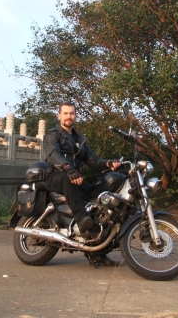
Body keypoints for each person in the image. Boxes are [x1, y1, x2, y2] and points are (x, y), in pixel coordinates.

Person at [43, 102, 121, 267]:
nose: (69, 116)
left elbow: (93, 160)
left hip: (74, 178)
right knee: (67, 177)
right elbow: (53, 155)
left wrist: (108, 163)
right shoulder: (52, 135)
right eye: (65, 113)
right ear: (59, 116)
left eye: (71, 113)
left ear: (75, 116)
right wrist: (68, 168)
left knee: (97, 195)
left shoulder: (79, 139)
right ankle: (82, 221)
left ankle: (97, 251)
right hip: (56, 177)